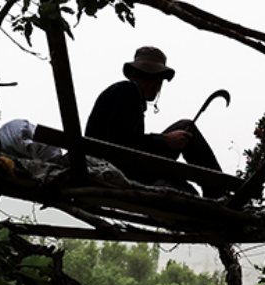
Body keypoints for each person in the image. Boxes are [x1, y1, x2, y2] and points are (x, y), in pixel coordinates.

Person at [84, 45, 223, 196]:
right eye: (150, 77)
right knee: (187, 127)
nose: (156, 85)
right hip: (113, 165)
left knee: (185, 134)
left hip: (127, 165)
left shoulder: (128, 95)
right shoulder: (127, 90)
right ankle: (219, 190)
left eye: (158, 79)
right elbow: (120, 144)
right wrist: (164, 141)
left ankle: (216, 193)